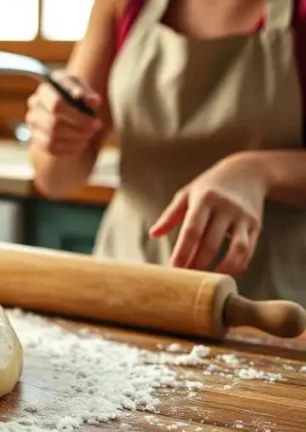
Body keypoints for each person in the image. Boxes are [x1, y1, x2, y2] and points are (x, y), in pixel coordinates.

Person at [26, 0, 306, 306]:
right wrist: (55, 128)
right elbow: (55, 179)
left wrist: (258, 171)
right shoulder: (121, 5)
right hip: (129, 275)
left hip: (272, 295)